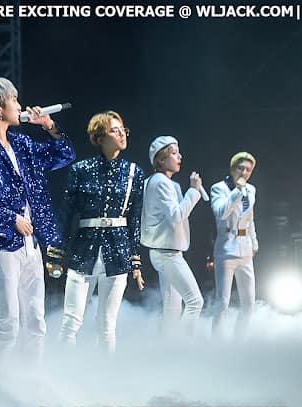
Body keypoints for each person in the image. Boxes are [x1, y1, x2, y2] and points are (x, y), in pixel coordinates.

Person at [0, 77, 75, 370]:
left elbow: (64, 155)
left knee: (36, 322)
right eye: (14, 100)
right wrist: (10, 219)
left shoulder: (21, 143)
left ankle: (30, 382)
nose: (20, 106)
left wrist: (48, 126)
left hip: (31, 244)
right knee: (8, 325)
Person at [51, 110, 145, 353]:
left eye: (123, 129)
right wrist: (56, 253)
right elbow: (66, 213)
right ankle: (60, 370)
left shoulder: (134, 172)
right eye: (115, 130)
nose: (122, 134)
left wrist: (135, 259)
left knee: (107, 325)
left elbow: (135, 218)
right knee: (71, 321)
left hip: (118, 254)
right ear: (100, 138)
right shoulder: (80, 169)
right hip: (83, 251)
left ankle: (106, 373)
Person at [140, 136, 205, 336]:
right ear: (161, 159)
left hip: (163, 251)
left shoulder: (158, 182)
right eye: (174, 153)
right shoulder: (161, 182)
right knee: (195, 302)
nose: (180, 156)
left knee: (172, 309)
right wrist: (193, 191)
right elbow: (177, 216)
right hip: (167, 254)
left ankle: (168, 347)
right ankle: (183, 347)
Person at [210, 151, 259, 337]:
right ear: (232, 169)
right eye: (241, 168)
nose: (244, 173)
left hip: (245, 248)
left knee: (249, 302)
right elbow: (221, 213)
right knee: (223, 301)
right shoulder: (219, 188)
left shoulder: (251, 189)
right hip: (226, 249)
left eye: (248, 170)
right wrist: (237, 191)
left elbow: (250, 217)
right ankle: (216, 341)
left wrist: (254, 241)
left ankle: (239, 340)